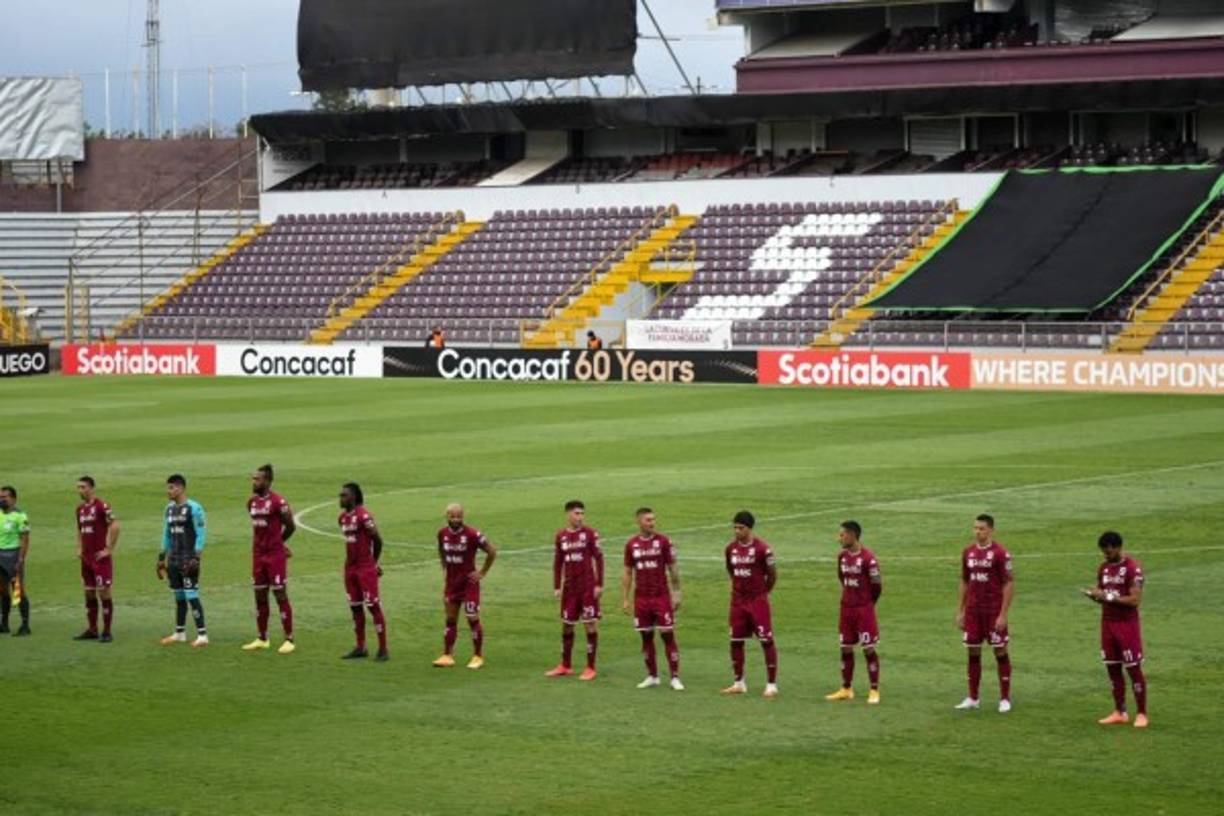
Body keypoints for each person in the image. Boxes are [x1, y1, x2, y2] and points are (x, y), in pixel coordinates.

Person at [1083, 531, 1148, 728]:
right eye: (1104, 552)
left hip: (1127, 625)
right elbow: (1103, 593)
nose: (1106, 555)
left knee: (1133, 668)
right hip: (1107, 624)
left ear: (1118, 547)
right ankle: (1120, 711)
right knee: (1112, 667)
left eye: (1109, 552)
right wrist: (1094, 595)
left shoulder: (1132, 569)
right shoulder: (1103, 568)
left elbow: (1135, 599)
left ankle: (1142, 713)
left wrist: (1109, 597)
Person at [955, 513, 1014, 713]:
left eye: (981, 528)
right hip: (973, 611)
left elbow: (1008, 583)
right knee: (973, 651)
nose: (977, 532)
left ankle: (1005, 698)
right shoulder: (968, 552)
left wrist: (1003, 614)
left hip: (993, 611)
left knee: (1000, 650)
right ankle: (973, 697)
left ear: (991, 530)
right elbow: (964, 581)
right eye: (975, 528)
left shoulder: (1000, 553)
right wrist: (960, 611)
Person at [621, 507, 683, 691]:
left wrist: (677, 592)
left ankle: (675, 677)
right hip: (641, 598)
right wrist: (625, 598)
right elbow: (627, 572)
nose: (652, 523)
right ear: (639, 521)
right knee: (646, 637)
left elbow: (673, 568)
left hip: (661, 596)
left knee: (667, 635)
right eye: (648, 520)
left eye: (653, 519)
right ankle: (652, 676)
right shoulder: (631, 545)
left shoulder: (664, 542)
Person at [722, 510, 779, 698]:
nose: (737, 531)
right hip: (737, 602)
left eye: (741, 528)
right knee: (736, 641)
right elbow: (731, 570)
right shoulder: (730, 549)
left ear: (750, 528)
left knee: (766, 641)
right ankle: (739, 682)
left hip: (757, 601)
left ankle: (771, 684)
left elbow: (772, 574)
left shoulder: (763, 549)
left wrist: (763, 592)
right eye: (735, 527)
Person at [433, 503, 497, 669]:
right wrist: (444, 567)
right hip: (452, 584)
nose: (456, 519)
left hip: (469, 584)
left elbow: (492, 551)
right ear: (446, 516)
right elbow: (441, 549)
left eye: (459, 516)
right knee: (450, 619)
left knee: (472, 618)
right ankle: (447, 655)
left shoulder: (472, 534)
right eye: (452, 516)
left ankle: (478, 656)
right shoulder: (442, 533)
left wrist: (482, 572)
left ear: (463, 516)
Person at [545, 500, 603, 681]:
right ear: (568, 514)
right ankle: (565, 665)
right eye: (577, 513)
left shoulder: (590, 534)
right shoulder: (561, 536)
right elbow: (558, 562)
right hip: (569, 589)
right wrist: (556, 586)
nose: (580, 517)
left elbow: (599, 559)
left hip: (587, 588)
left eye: (582, 514)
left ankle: (590, 667)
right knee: (567, 625)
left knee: (589, 624)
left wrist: (599, 584)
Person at [242, 464, 297, 655]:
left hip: (275, 556)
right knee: (259, 595)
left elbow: (290, 526)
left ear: (267, 481)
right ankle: (262, 638)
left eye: (257, 479)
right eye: (253, 478)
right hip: (258, 555)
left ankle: (289, 639)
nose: (254, 481)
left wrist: (279, 543)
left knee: (280, 594)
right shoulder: (252, 502)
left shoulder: (278, 502)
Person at [825, 521, 881, 704]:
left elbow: (877, 586)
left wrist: (867, 603)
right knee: (845, 647)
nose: (839, 538)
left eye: (842, 534)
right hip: (846, 608)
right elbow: (842, 578)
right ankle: (846, 688)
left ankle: (874, 689)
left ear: (852, 535)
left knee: (868, 648)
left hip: (863, 609)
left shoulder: (868, 559)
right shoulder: (842, 557)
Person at [339, 482, 389, 661]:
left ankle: (383, 649)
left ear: (353, 496)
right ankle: (361, 647)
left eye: (344, 495)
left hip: (365, 567)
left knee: (373, 606)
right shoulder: (342, 518)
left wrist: (373, 564)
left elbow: (378, 540)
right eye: (341, 495)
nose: (341, 498)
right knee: (355, 607)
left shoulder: (364, 516)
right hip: (350, 568)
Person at [158, 474, 208, 647]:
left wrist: (196, 558)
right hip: (174, 559)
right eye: (168, 487)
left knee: (192, 595)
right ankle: (179, 632)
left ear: (181, 488)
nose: (168, 491)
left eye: (171, 487)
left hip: (188, 559)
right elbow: (166, 534)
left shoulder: (194, 508)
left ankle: (202, 635)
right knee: (179, 597)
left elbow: (201, 533)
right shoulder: (169, 509)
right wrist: (161, 558)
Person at [74, 476, 121, 642]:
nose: (80, 490)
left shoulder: (102, 506)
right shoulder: (80, 509)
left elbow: (115, 525)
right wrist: (79, 547)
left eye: (83, 487)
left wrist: (108, 549)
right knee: (88, 594)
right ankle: (92, 629)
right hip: (86, 559)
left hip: (100, 559)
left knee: (104, 594)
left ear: (92, 488)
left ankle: (107, 631)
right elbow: (80, 530)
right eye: (78, 487)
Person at [0, 486, 31, 636]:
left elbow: (25, 540)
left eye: (4, 497)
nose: (1, 499)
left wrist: (20, 559)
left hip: (13, 556)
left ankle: (25, 625)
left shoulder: (20, 516)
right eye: (0, 497)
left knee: (18, 591)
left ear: (13, 499)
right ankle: (4, 624)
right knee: (2, 590)